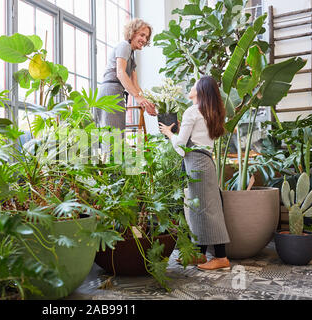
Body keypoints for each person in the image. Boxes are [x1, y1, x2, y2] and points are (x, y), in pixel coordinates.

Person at [159, 75, 231, 271]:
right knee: (202, 208)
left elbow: (181, 145)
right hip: (206, 161)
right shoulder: (211, 113)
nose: (190, 87)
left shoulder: (192, 112)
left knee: (205, 210)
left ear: (200, 92)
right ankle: (199, 254)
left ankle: (221, 257)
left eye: (194, 85)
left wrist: (169, 134)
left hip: (196, 162)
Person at [94, 18, 157, 132]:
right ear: (132, 33)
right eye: (142, 35)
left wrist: (146, 102)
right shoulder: (124, 46)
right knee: (113, 137)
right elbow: (120, 73)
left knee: (117, 135)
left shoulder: (131, 56)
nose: (144, 39)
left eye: (146, 37)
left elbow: (135, 84)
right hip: (110, 92)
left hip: (116, 92)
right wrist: (138, 98)